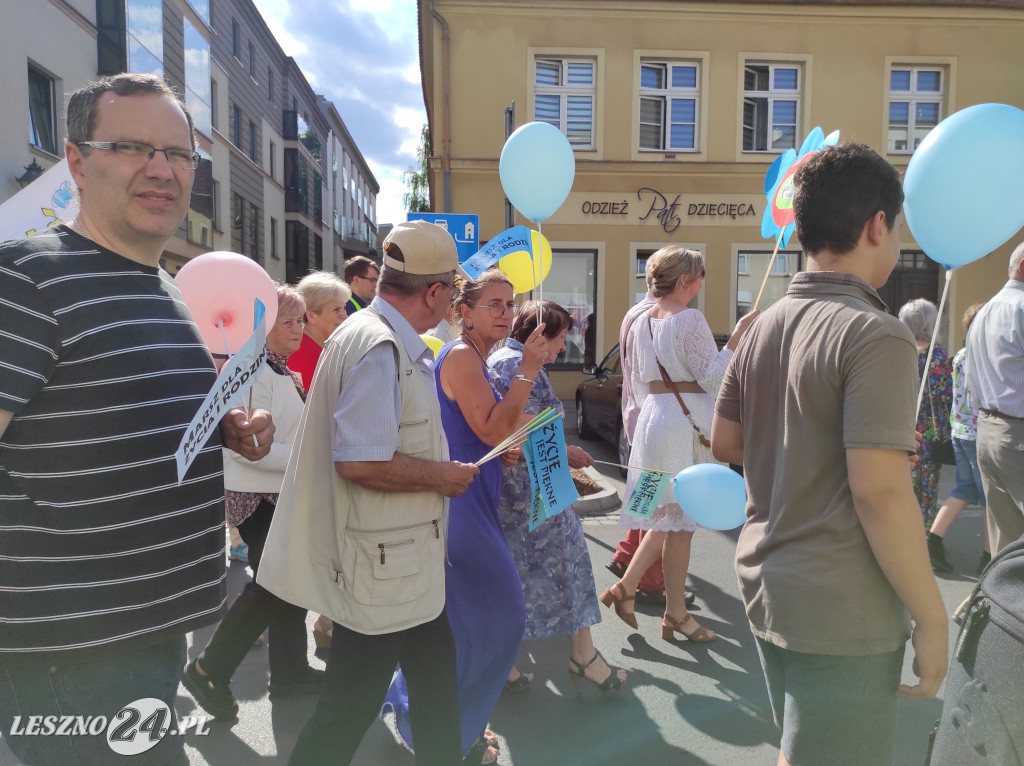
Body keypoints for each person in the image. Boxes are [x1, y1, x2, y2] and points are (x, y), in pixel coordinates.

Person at [0, 73, 273, 766]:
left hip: (145, 643)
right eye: (130, 146)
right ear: (76, 160)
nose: (161, 169)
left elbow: (93, 421)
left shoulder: (164, 287)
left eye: (178, 154)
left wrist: (221, 432)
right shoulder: (27, 282)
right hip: (72, 661)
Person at [712, 142, 948, 766]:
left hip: (766, 579)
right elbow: (880, 490)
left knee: (799, 751)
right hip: (844, 607)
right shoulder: (878, 332)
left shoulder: (760, 324)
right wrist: (932, 617)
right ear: (877, 225)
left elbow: (724, 443)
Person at [256, 219, 479, 766]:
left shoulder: (370, 333)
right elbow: (360, 460)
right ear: (433, 292)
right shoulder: (380, 346)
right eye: (452, 290)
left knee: (432, 685)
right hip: (385, 569)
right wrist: (441, 476)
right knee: (347, 710)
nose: (452, 302)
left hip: (399, 563)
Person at [383, 268, 544, 764]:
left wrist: (503, 450)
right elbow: (494, 428)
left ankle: (445, 724)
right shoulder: (461, 357)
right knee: (503, 618)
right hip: (463, 507)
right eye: (493, 304)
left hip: (472, 496)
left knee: (462, 621)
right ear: (463, 312)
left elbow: (481, 435)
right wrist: (530, 369)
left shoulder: (471, 357)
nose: (506, 313)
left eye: (510, 304)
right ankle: (451, 724)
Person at [183, 285, 324, 721]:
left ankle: (290, 672)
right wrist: (310, 459)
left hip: (279, 492)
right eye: (288, 320)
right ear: (262, 328)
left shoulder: (280, 370)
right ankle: (208, 669)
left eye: (301, 320)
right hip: (257, 497)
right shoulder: (254, 374)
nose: (299, 328)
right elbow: (245, 448)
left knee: (287, 582)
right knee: (272, 584)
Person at [600, 246, 755, 642]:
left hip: (653, 419)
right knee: (681, 524)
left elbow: (636, 381)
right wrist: (736, 338)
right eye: (700, 275)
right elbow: (714, 379)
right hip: (681, 426)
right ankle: (676, 614)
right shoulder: (689, 319)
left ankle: (627, 586)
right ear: (685, 280)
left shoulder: (640, 320)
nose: (703, 282)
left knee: (664, 515)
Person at [490, 300, 627, 695]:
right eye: (560, 335)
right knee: (564, 567)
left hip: (533, 486)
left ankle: (509, 661)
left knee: (526, 575)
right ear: (540, 333)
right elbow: (514, 422)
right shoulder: (513, 364)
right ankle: (582, 658)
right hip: (530, 489)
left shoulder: (509, 360)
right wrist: (566, 452)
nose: (562, 344)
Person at [607, 268, 692, 607]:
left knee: (648, 497)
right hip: (656, 415)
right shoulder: (660, 318)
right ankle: (652, 581)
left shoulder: (634, 313)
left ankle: (627, 555)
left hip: (639, 413)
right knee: (661, 505)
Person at [966, 242, 1024, 555]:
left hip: (989, 431)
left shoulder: (985, 310)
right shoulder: (1020, 307)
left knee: (1007, 539)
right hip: (1016, 433)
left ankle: (1004, 603)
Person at [927, 302, 991, 574]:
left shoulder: (962, 354)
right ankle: (989, 559)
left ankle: (933, 542)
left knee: (963, 491)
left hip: (960, 430)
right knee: (991, 498)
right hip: (980, 432)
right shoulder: (984, 354)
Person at [898, 298, 954, 528]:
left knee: (903, 480)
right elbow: (944, 392)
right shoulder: (937, 354)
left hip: (901, 423)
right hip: (929, 427)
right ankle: (924, 533)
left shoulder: (898, 349)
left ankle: (901, 528)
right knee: (927, 484)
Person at [288, 270, 351, 391]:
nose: (344, 316)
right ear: (311, 316)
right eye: (336, 310)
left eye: (344, 308)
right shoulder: (302, 353)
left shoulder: (320, 348)